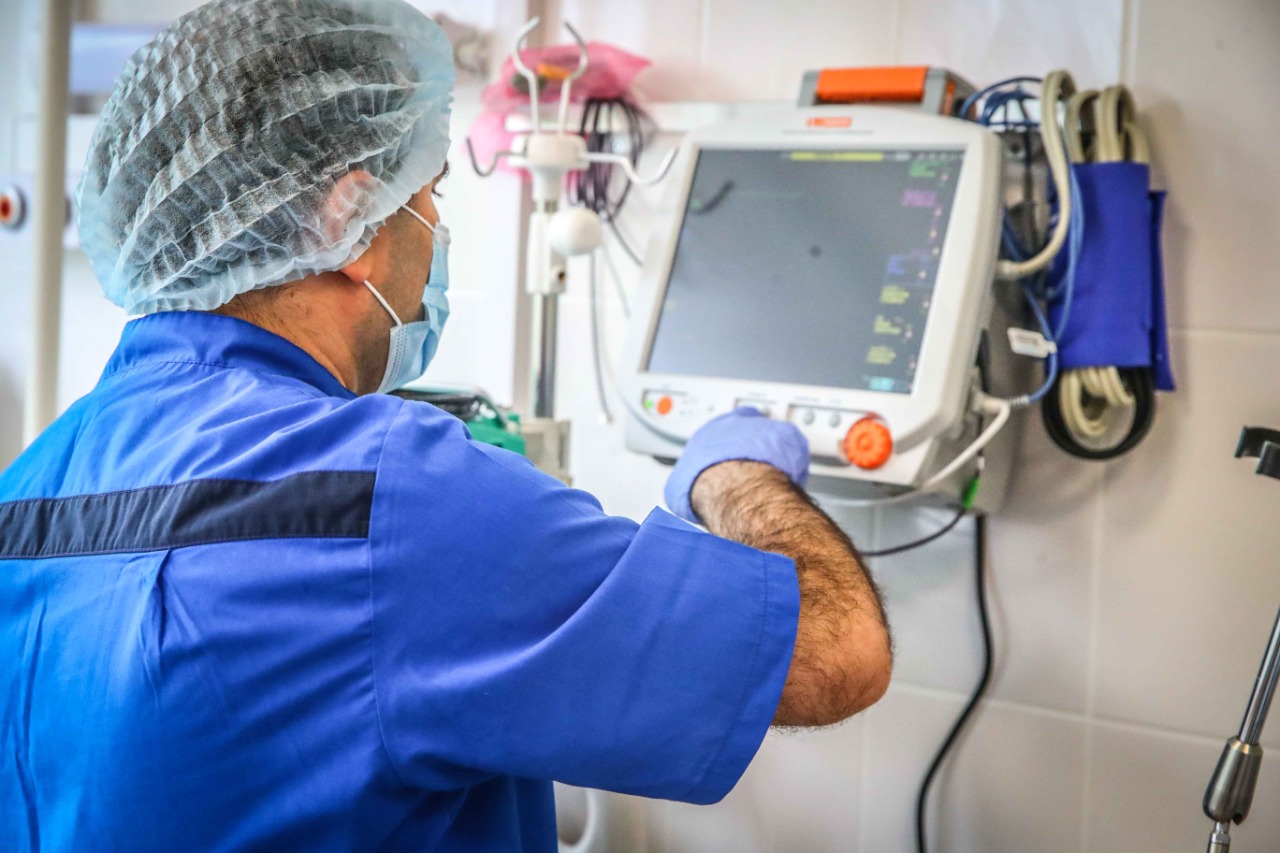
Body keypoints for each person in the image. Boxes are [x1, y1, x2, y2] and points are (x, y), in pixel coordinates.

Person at [0, 1, 891, 850]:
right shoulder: (391, 497)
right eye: (429, 195)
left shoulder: (29, 483)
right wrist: (732, 472)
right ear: (351, 223)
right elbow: (837, 650)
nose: (435, 231)